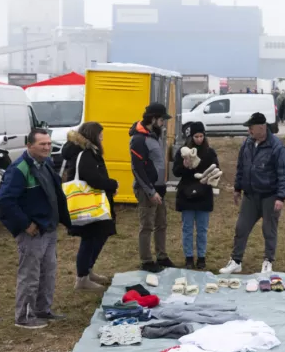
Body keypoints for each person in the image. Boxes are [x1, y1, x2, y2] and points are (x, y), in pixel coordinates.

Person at [0, 129, 71, 329]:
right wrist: (25, 224)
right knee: (30, 274)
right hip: (33, 231)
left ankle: (42, 310)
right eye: (42, 144)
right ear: (29, 146)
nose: (47, 147)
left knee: (48, 271)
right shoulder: (19, 169)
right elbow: (5, 201)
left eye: (48, 143)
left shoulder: (46, 164)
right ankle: (23, 317)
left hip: (48, 228)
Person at [219, 113, 285, 275]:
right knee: (241, 227)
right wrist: (237, 188)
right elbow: (241, 168)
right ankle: (236, 261)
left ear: (261, 127)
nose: (249, 130)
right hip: (250, 196)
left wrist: (281, 197)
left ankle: (268, 261)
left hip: (270, 196)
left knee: (269, 229)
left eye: (251, 127)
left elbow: (284, 173)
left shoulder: (277, 147)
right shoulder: (247, 144)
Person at [60, 122, 119, 292]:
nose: (102, 138)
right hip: (89, 206)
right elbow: (93, 178)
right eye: (100, 134)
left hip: (95, 203)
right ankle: (82, 278)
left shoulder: (87, 151)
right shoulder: (85, 154)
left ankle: (88, 270)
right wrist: (112, 184)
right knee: (90, 239)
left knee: (99, 236)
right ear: (93, 135)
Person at [130, 103, 176, 273]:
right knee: (147, 225)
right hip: (146, 190)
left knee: (161, 223)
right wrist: (150, 191)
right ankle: (146, 260)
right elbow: (137, 168)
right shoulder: (138, 139)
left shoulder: (154, 135)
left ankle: (162, 256)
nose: (164, 123)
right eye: (162, 119)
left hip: (159, 188)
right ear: (153, 119)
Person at [172, 122, 219, 270]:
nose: (199, 139)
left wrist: (209, 179)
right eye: (196, 136)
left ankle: (201, 257)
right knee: (187, 228)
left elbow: (216, 170)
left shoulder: (210, 153)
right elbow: (176, 172)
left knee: (202, 228)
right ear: (191, 137)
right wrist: (184, 166)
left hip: (204, 194)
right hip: (187, 193)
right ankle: (188, 257)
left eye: (201, 136)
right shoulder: (182, 151)